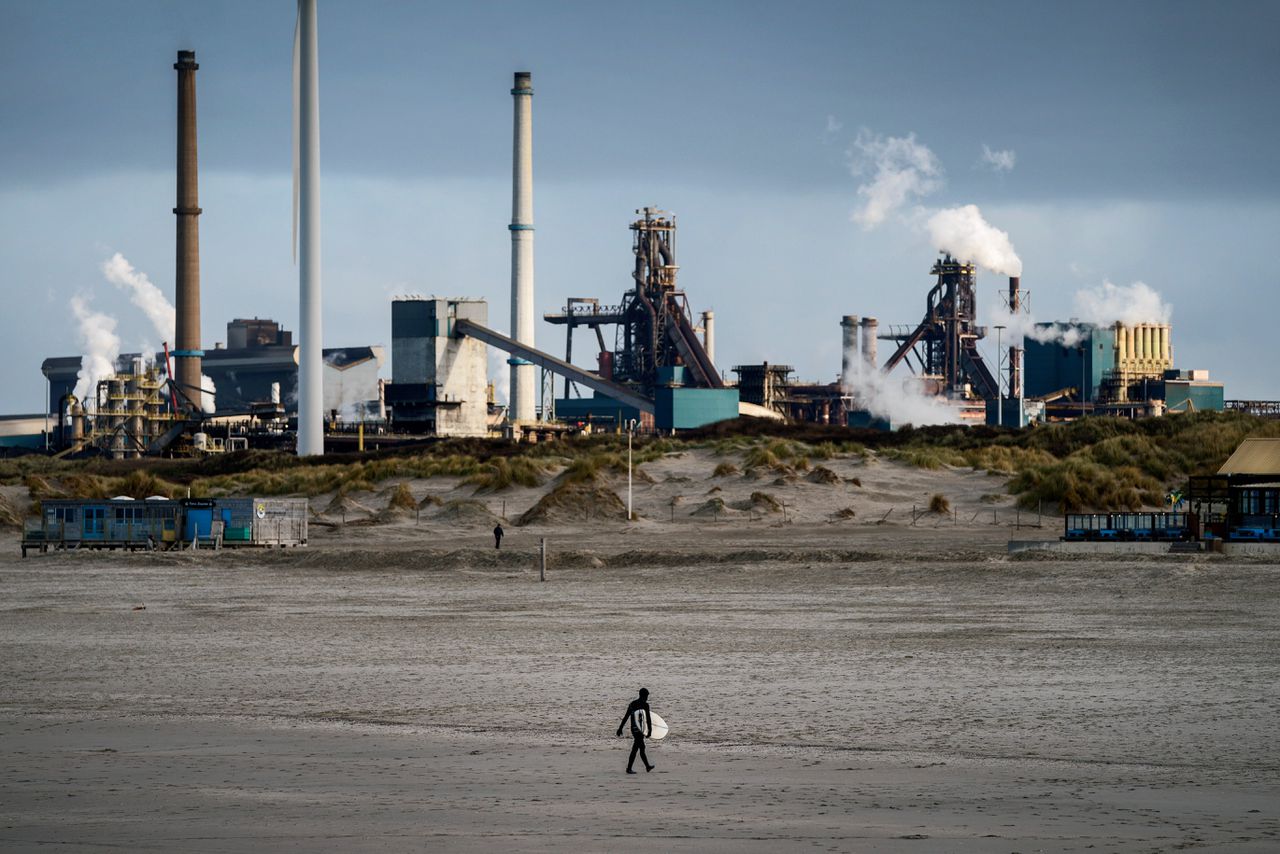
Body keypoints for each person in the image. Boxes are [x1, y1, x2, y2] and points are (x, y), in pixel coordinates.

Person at [616, 688, 655, 774]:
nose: (647, 698)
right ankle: (629, 768)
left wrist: (620, 728)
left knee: (641, 748)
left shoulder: (633, 704)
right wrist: (650, 730)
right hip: (638, 730)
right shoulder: (645, 705)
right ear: (643, 695)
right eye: (647, 696)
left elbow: (626, 717)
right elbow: (648, 719)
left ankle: (647, 766)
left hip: (635, 729)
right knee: (635, 749)